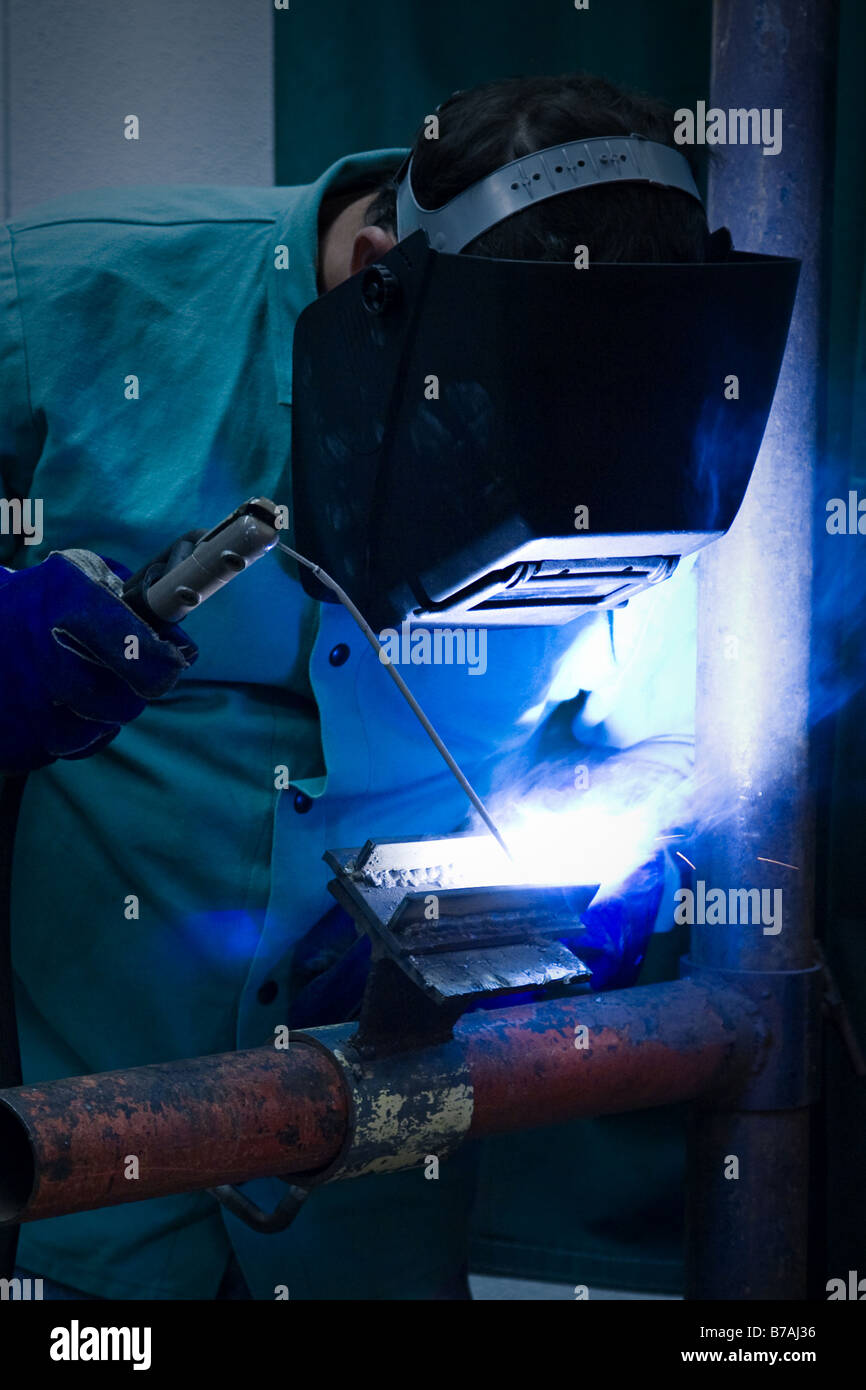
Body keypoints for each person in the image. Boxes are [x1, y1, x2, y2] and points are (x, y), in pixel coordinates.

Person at [0, 71, 700, 1300]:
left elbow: (632, 733)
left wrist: (606, 871)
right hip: (86, 1202)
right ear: (378, 268)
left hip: (376, 1212)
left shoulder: (649, 421)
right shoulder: (68, 300)